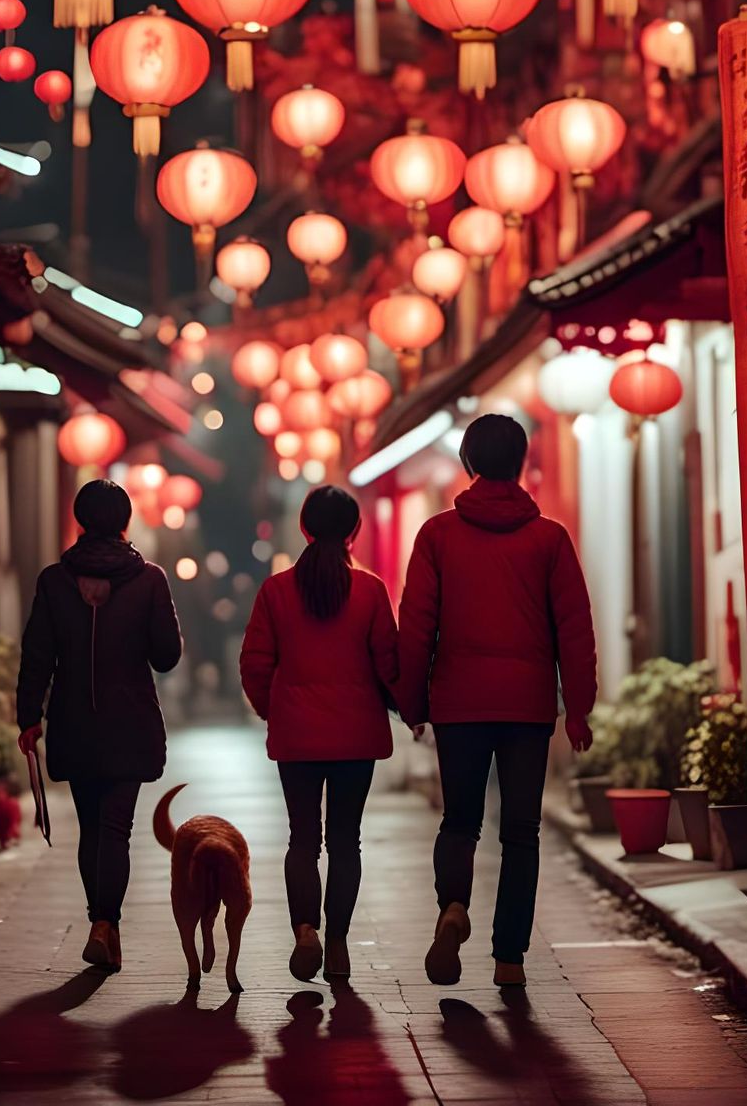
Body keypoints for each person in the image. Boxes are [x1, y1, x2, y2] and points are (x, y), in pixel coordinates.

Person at [396, 412, 597, 990]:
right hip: (527, 707)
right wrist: (578, 706)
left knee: (459, 820)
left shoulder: (437, 535)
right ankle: (509, 958)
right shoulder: (549, 539)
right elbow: (574, 628)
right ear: (522, 462)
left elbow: (416, 625)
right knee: (521, 832)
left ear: (469, 463)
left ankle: (454, 906)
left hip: (458, 703)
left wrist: (412, 700)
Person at [16, 476, 183, 972]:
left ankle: (101, 922)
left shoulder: (53, 580)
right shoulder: (149, 579)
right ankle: (105, 924)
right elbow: (168, 656)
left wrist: (29, 716)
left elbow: (37, 654)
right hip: (130, 723)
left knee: (92, 828)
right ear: (126, 523)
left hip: (73, 721)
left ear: (80, 521)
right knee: (116, 827)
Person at [240, 485, 401, 983]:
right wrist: (408, 708)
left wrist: (277, 710)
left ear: (305, 528)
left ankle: (305, 929)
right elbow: (390, 665)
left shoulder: (277, 591)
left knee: (303, 840)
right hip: (356, 738)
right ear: (354, 531)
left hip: (299, 738)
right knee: (346, 842)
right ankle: (336, 944)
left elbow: (254, 665)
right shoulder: (371, 591)